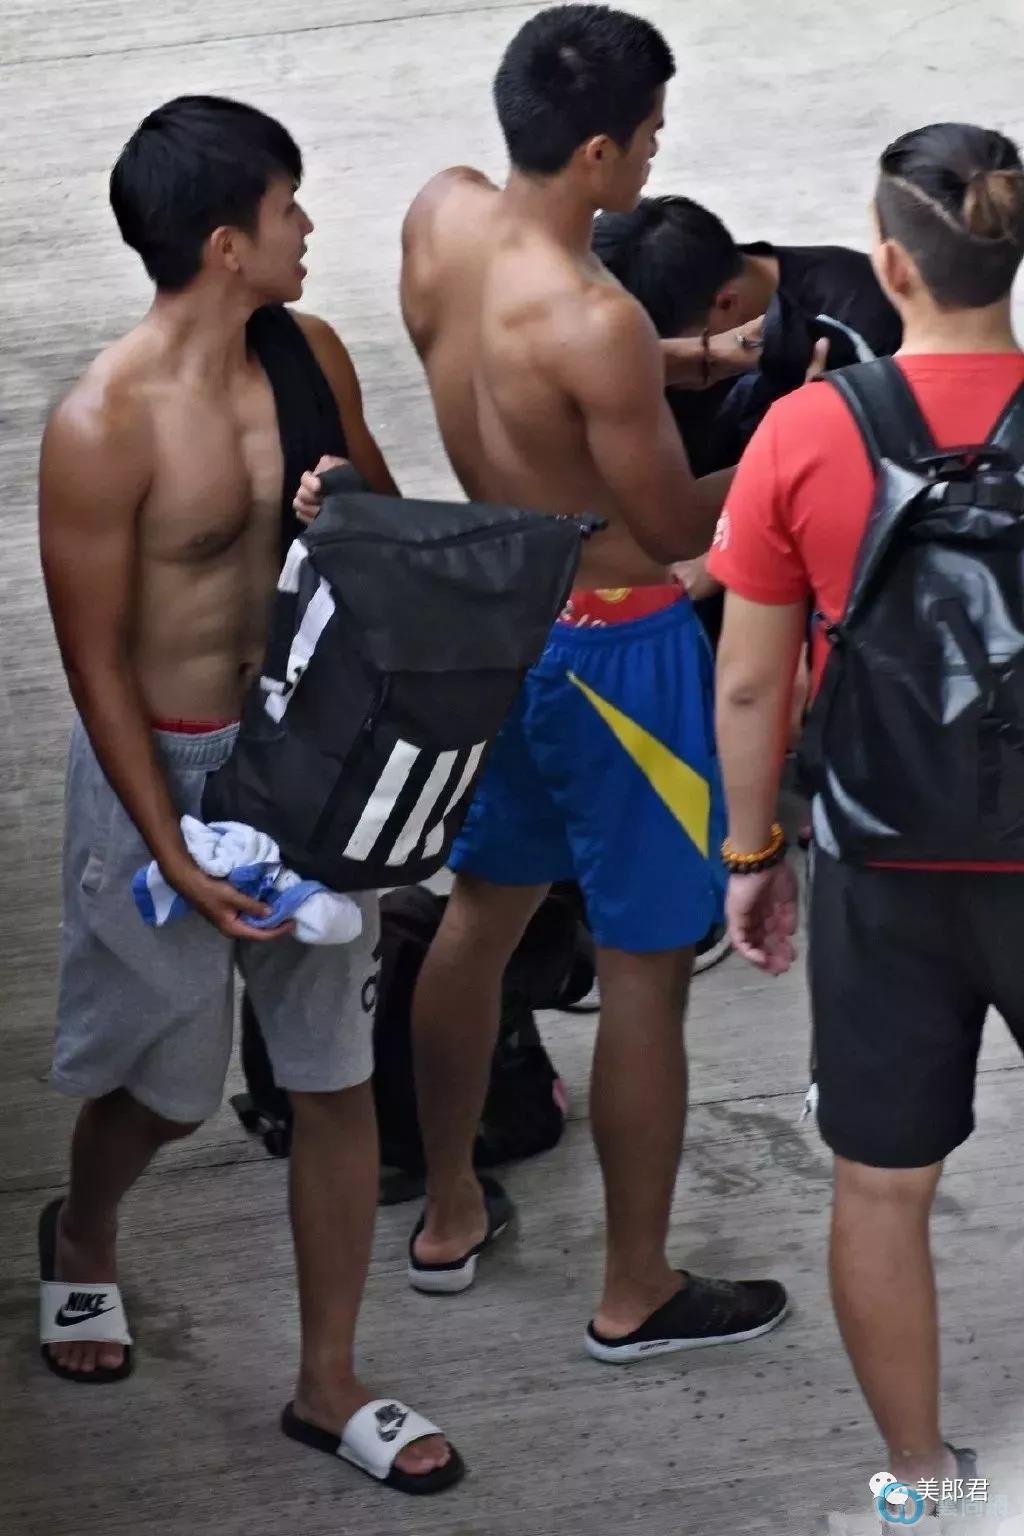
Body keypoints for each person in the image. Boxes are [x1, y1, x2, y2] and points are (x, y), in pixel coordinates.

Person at [38, 95, 463, 1495]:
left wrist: (346, 513)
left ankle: (327, 1381)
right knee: (165, 1086)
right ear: (227, 244)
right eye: (288, 209)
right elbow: (94, 664)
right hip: (162, 766)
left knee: (334, 1075)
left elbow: (398, 539)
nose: (308, 227)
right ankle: (84, 1230)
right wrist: (169, 844)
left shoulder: (308, 355)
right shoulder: (102, 425)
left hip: (304, 761)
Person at [394, 3, 787, 1362]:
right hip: (618, 650)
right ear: (602, 153)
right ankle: (635, 1290)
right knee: (644, 974)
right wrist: (800, 434)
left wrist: (686, 361)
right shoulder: (597, 318)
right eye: (653, 136)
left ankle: (449, 1210)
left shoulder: (441, 216)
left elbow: (530, 383)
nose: (659, 155)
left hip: (500, 612)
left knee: (478, 919)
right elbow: (676, 526)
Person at [708, 122, 1024, 1493]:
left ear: (890, 265)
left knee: (881, 1188)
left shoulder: (805, 429)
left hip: (883, 864)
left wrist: (753, 850)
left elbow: (748, 685)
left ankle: (922, 1482)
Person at [593, 194, 902, 641]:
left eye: (683, 355)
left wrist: (723, 555)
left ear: (725, 304)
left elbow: (881, 491)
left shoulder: (857, 318)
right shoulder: (661, 309)